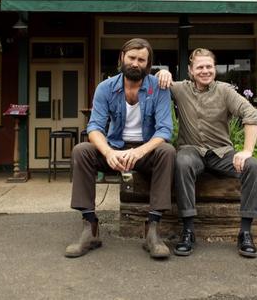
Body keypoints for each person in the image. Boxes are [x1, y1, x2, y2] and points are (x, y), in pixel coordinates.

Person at [65, 38, 175, 259]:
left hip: (146, 152)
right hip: (115, 148)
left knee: (168, 151)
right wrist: (108, 152)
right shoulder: (105, 88)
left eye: (141, 60)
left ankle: (153, 229)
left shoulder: (158, 88)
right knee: (81, 150)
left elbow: (164, 130)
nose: (135, 63)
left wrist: (139, 151)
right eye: (131, 58)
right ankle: (90, 227)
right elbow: (95, 126)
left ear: (148, 63)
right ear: (122, 58)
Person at [156, 48, 257, 258]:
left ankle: (245, 232)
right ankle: (188, 230)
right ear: (190, 71)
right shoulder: (180, 89)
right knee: (182, 161)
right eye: (200, 67)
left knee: (254, 166)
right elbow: (155, 83)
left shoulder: (225, 91)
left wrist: (247, 151)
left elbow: (250, 114)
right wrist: (162, 73)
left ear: (214, 69)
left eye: (209, 67)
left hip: (222, 153)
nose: (205, 71)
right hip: (192, 151)